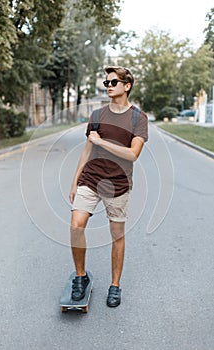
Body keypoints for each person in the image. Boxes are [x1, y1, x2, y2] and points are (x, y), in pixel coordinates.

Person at [69, 66, 148, 307]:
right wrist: (75, 182)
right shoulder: (96, 116)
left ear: (127, 86)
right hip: (91, 179)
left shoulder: (137, 118)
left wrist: (101, 141)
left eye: (114, 82)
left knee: (117, 235)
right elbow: (87, 150)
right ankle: (80, 277)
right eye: (107, 83)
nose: (109, 86)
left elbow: (133, 154)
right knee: (76, 225)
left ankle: (115, 285)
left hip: (118, 184)